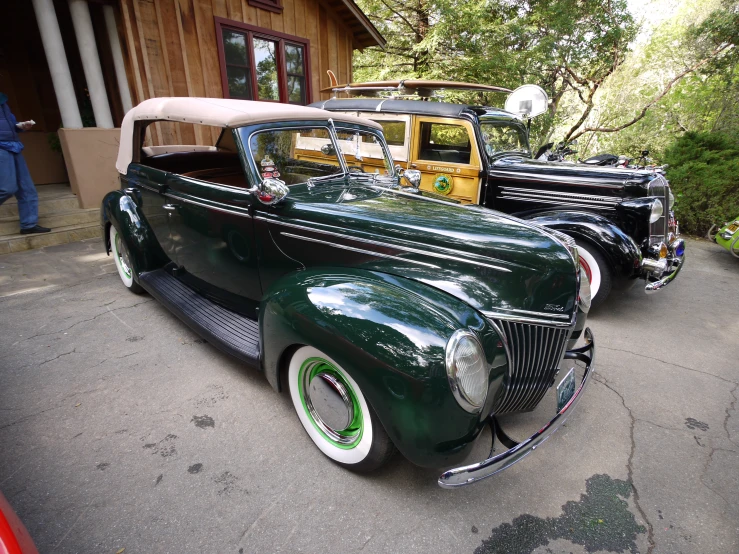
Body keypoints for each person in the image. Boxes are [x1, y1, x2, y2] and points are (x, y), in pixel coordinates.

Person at [0, 92, 51, 235]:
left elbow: (9, 124)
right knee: (7, 188)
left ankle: (29, 224)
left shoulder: (3, 100)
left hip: (14, 144)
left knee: (26, 188)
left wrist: (21, 126)